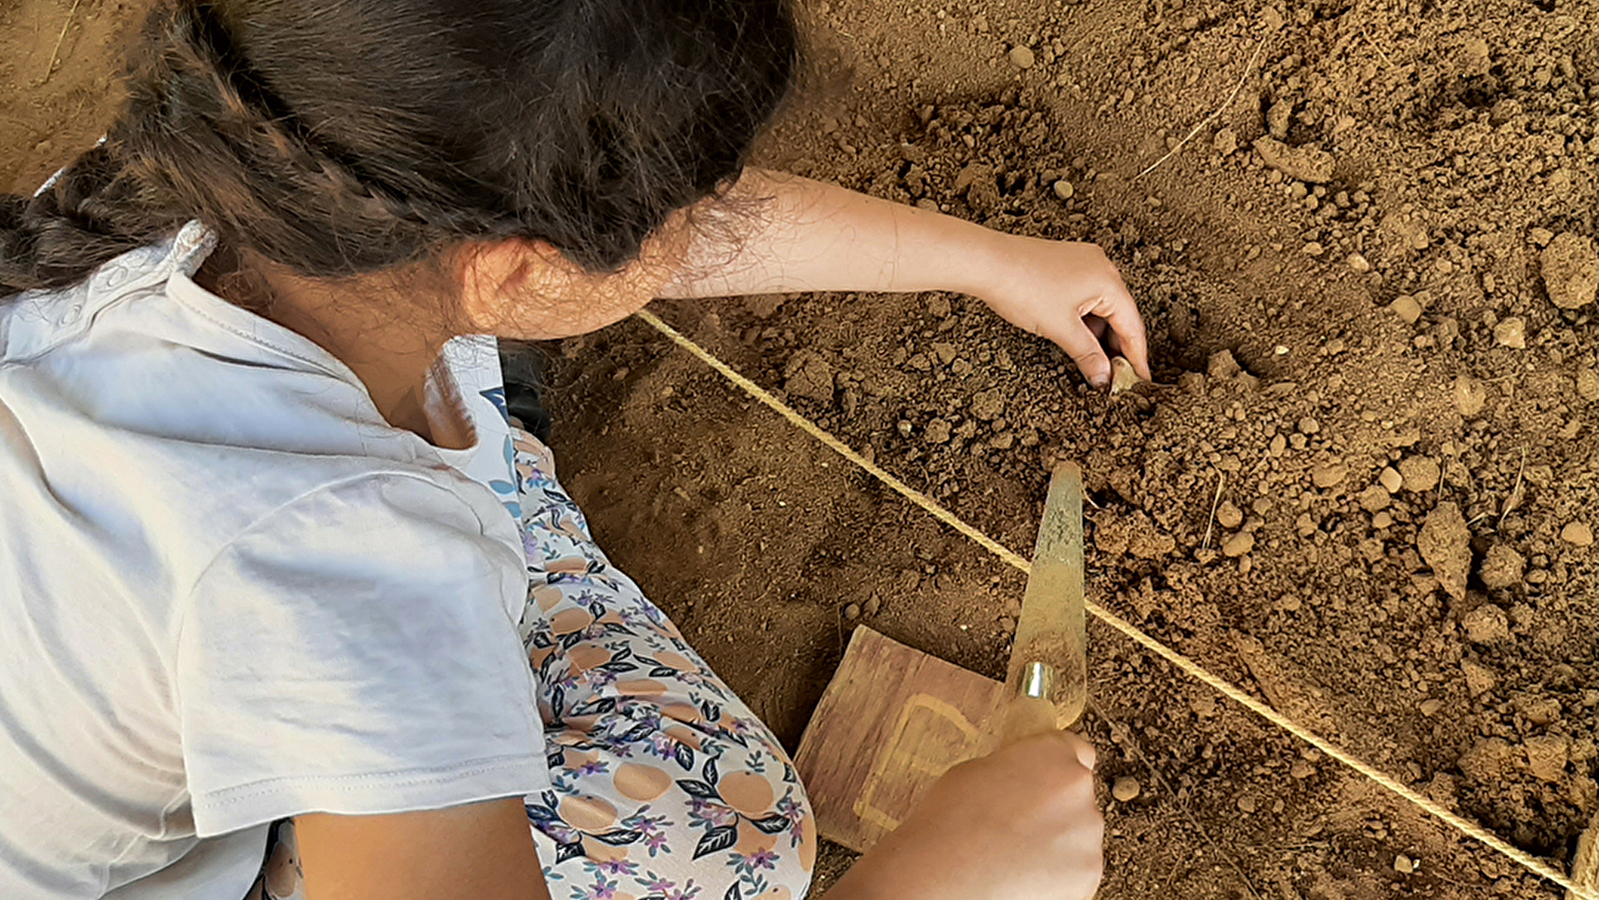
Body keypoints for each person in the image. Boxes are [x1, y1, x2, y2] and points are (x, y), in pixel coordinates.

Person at [0, 1, 1150, 898]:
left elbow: (600, 227)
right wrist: (941, 879)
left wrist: (991, 258)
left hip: (200, 643)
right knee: (729, 839)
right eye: (690, 207)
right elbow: (345, 594)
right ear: (518, 266)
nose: (705, 219)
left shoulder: (244, 153)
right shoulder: (352, 573)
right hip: (210, 806)